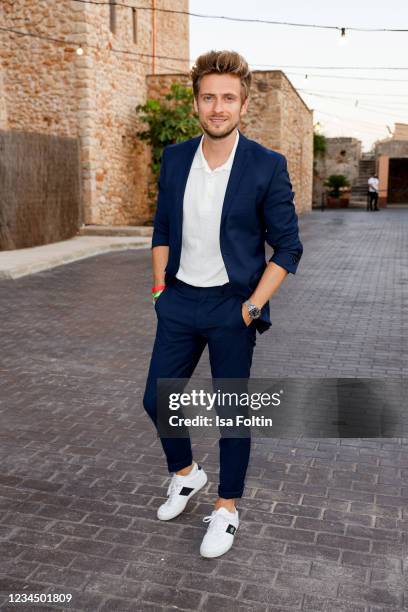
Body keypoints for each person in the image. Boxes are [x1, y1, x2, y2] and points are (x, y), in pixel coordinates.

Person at [142, 50, 303, 559]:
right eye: (208, 97)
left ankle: (227, 508)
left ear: (243, 104)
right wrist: (159, 292)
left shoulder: (266, 165)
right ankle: (186, 475)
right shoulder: (174, 158)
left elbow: (289, 246)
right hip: (180, 301)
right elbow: (163, 228)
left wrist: (252, 306)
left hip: (233, 307)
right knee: (156, 399)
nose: (218, 107)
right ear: (196, 103)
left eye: (227, 98)